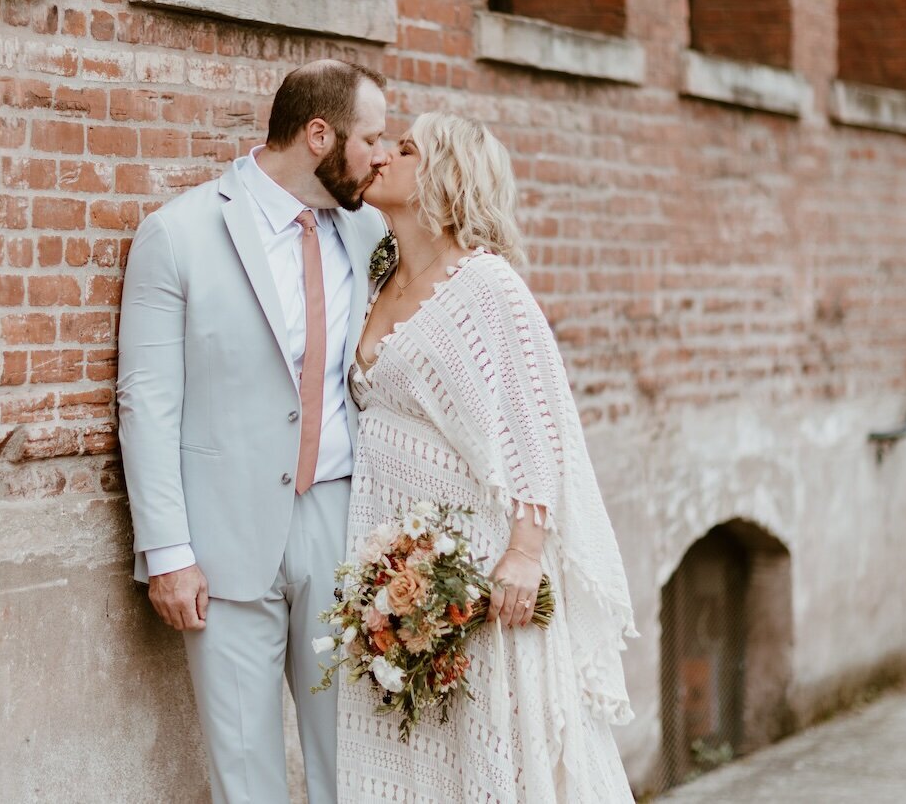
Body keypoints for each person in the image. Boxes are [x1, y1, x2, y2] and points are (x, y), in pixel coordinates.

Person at [338, 113, 637, 802]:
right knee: (410, 749)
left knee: (489, 750)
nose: (382, 154)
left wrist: (526, 552)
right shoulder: (377, 273)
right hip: (392, 554)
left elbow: (539, 425)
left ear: (446, 179)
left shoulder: (488, 287)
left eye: (404, 148)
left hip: (476, 565)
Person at [117, 60, 390, 804]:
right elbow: (147, 402)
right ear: (318, 134)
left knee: (351, 762)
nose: (384, 156)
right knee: (246, 772)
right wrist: (168, 550)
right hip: (223, 538)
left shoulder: (372, 234)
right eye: (372, 138)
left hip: (341, 524)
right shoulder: (177, 234)